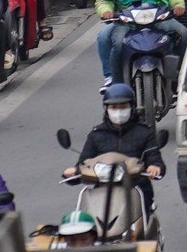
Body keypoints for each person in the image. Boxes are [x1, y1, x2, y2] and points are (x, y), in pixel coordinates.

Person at [66, 82, 166, 213]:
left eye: (123, 106)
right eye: (114, 107)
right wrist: (74, 171)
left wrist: (155, 167)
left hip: (136, 189)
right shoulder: (96, 135)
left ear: (132, 107)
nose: (118, 111)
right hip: (102, 191)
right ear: (106, 109)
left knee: (141, 225)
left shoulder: (144, 133)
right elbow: (84, 162)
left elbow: (153, 156)